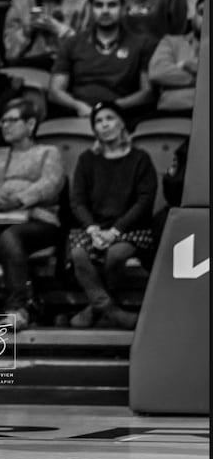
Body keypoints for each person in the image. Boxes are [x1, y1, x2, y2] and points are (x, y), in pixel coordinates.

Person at [0, 98, 65, 330]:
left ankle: (19, 307)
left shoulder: (48, 152)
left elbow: (51, 182)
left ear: (30, 124)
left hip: (37, 217)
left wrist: (18, 200)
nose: (5, 126)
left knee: (11, 238)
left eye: (12, 120)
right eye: (3, 121)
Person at [68, 101, 157, 329]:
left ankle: (93, 309)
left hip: (130, 229)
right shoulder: (87, 159)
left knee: (116, 255)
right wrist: (93, 228)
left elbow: (144, 201)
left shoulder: (140, 158)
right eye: (98, 121)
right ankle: (111, 310)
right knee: (78, 254)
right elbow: (77, 200)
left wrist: (116, 231)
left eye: (109, 118)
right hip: (93, 228)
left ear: (121, 123)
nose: (104, 125)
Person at [48, 0, 156, 123]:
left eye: (112, 5)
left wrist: (110, 108)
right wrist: (78, 106)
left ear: (123, 9)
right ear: (91, 9)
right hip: (78, 114)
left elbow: (147, 93)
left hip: (122, 115)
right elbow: (55, 91)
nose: (105, 11)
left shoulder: (143, 43)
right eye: (99, 5)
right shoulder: (72, 43)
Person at [3, 0, 89, 70]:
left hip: (70, 65)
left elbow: (90, 51)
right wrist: (26, 32)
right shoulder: (20, 4)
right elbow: (10, 54)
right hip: (30, 65)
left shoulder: (82, 2)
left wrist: (61, 30)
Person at [147, 0, 204, 116]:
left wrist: (186, 64)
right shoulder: (171, 42)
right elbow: (157, 72)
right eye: (202, 12)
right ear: (193, 16)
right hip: (170, 111)